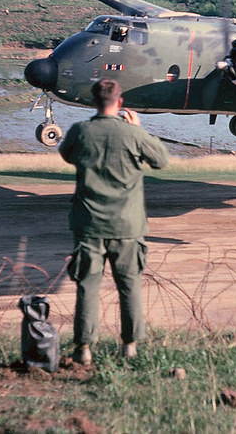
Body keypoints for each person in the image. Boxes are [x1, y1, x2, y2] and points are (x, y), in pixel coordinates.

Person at [59, 78, 169, 366]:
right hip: (127, 227)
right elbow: (161, 160)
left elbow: (66, 154)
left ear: (93, 103)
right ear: (120, 103)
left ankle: (83, 348)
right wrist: (136, 132)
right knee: (129, 286)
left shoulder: (80, 131)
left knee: (87, 287)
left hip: (89, 225)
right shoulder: (132, 135)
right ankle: (129, 346)